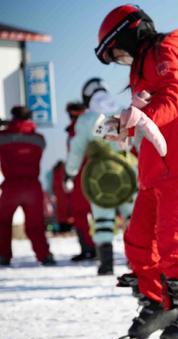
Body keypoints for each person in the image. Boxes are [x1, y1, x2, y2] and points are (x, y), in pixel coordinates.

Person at [95, 4, 178, 339]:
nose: (120, 59)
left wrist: (140, 116)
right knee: (137, 242)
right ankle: (159, 303)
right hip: (155, 171)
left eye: (117, 52)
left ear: (130, 34)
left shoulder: (166, 50)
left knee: (173, 244)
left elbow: (176, 94)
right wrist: (123, 124)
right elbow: (145, 112)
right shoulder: (141, 64)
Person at [64, 78, 137, 275]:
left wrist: (69, 173)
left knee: (103, 220)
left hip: (98, 175)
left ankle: (106, 264)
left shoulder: (86, 119)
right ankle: (136, 260)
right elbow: (138, 139)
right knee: (133, 217)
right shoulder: (124, 110)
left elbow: (77, 150)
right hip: (128, 171)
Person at [0, 106, 56, 266]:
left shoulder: (3, 137)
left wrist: (6, 125)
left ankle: (3, 256)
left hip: (11, 186)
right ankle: (44, 256)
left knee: (3, 222)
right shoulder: (39, 139)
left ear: (13, 117)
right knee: (36, 225)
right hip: (33, 187)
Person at [65, 102, 96, 261]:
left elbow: (75, 155)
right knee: (93, 214)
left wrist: (68, 174)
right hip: (94, 176)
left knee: (82, 214)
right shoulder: (94, 125)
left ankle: (91, 248)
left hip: (82, 177)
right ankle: (95, 248)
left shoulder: (75, 131)